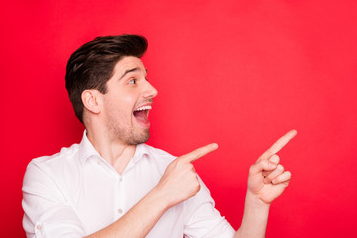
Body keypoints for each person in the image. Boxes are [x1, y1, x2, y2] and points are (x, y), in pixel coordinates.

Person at [22, 34, 297, 238]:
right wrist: (162, 195)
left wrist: (257, 203)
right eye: (132, 81)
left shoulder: (175, 171)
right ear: (93, 101)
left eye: (147, 78)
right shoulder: (48, 174)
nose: (152, 90)